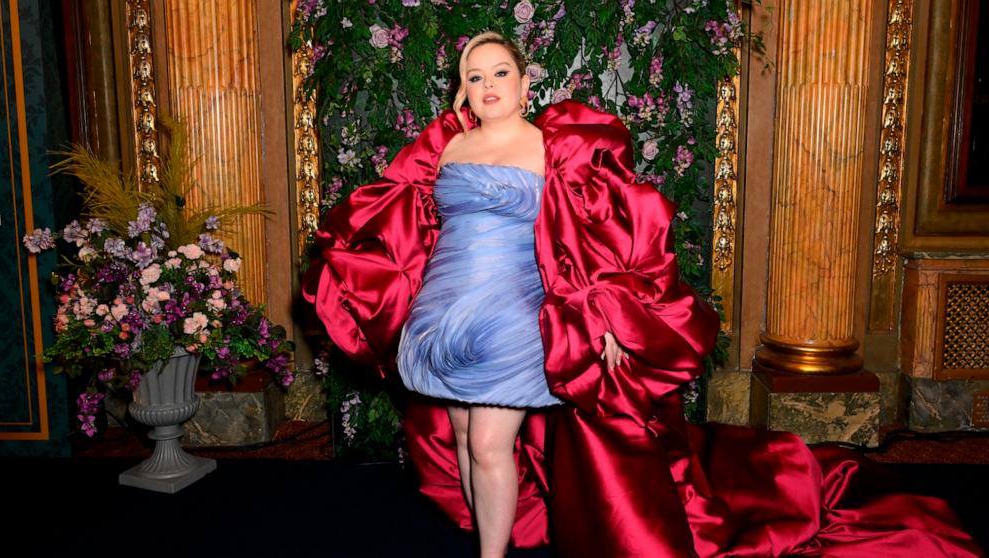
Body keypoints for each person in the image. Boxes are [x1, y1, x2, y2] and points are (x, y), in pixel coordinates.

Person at [303, 32, 981, 558]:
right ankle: (492, 534)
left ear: (525, 81)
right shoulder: (445, 151)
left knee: (487, 443)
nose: (487, 85)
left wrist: (607, 321)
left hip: (512, 314)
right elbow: (415, 228)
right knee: (458, 437)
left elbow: (599, 237)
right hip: (441, 315)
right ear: (462, 88)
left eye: (499, 73)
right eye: (474, 76)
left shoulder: (556, 145)